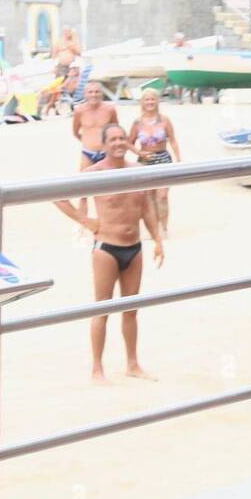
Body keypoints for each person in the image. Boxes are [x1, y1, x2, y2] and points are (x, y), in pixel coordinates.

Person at [54, 124, 164, 382]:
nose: (117, 143)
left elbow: (147, 207)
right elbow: (58, 196)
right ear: (103, 145)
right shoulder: (94, 173)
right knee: (102, 308)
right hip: (106, 249)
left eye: (121, 139)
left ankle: (133, 364)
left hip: (134, 248)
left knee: (131, 309)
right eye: (112, 139)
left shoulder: (137, 172)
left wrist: (158, 239)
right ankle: (97, 368)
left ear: (127, 142)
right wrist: (85, 221)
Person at [129, 88, 181, 236]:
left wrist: (179, 160)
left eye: (153, 99)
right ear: (142, 102)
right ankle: (154, 228)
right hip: (145, 161)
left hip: (163, 158)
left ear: (157, 101)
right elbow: (128, 142)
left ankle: (164, 228)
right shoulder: (137, 123)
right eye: (147, 99)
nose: (150, 102)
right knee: (149, 197)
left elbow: (173, 140)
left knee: (162, 196)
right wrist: (139, 152)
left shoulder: (164, 120)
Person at [72, 80, 119, 169]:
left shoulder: (110, 109)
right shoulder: (79, 111)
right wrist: (88, 141)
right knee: (84, 179)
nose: (94, 95)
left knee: (110, 180)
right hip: (87, 153)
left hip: (107, 152)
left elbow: (116, 131)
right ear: (85, 94)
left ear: (101, 94)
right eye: (90, 92)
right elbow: (75, 132)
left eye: (97, 92)